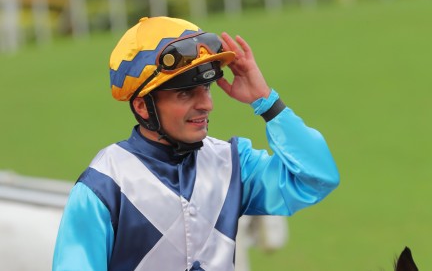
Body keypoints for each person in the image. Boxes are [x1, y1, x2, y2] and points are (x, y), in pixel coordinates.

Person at [52, 16, 339, 271]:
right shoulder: (102, 186)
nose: (206, 104)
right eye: (186, 93)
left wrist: (266, 101)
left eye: (206, 88)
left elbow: (317, 179)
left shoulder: (234, 163)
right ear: (142, 106)